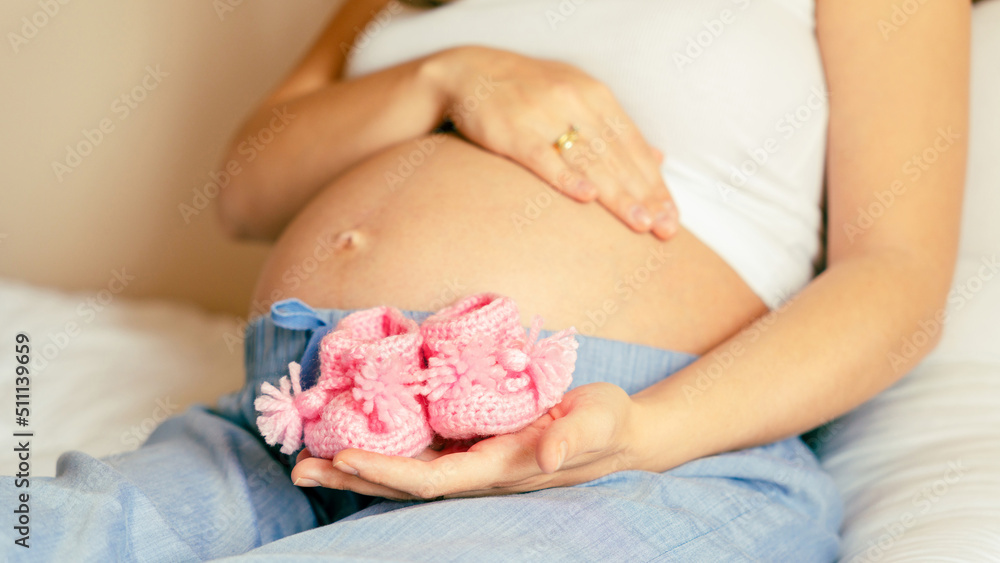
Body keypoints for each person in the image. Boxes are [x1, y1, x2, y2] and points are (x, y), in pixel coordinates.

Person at [3, 0, 971, 560]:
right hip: (294, 425)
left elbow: (895, 282)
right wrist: (450, 76)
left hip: (624, 449)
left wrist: (639, 433)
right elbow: (248, 185)